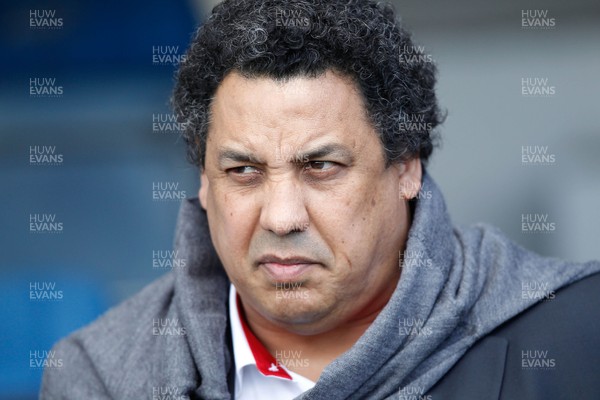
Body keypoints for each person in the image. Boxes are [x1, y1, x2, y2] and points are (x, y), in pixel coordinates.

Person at [41, 0, 600, 399]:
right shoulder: (99, 377)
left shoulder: (576, 333)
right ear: (204, 185)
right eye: (243, 171)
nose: (282, 218)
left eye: (322, 167)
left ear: (406, 169)